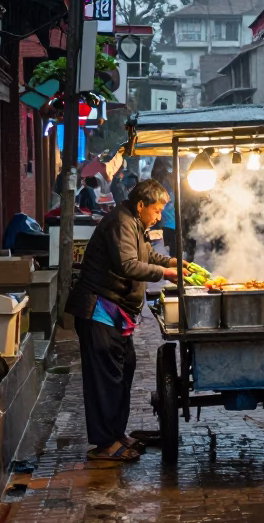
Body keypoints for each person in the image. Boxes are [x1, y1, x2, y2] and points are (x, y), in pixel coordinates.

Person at [65, 179, 185, 462]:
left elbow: (144, 254)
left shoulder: (135, 223)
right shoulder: (121, 222)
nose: (158, 217)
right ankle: (105, 444)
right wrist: (164, 274)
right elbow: (127, 264)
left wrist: (171, 262)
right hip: (99, 311)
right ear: (141, 205)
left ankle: (116, 433)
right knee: (105, 379)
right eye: (156, 211)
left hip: (116, 313)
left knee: (123, 370)